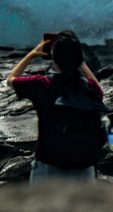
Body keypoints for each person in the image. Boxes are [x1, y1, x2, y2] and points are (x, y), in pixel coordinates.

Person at [6, 30, 107, 185]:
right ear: (79, 58)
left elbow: (11, 79)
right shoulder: (90, 88)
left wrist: (32, 54)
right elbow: (98, 88)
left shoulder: (42, 85)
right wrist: (78, 60)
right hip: (84, 171)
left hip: (48, 170)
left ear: (54, 59)